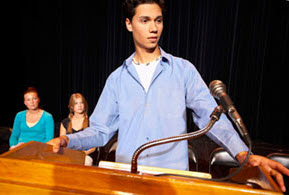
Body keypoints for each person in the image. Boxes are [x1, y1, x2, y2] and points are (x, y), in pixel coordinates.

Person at [48, 0, 289, 192]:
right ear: (129, 24)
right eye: (145, 20)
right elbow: (100, 131)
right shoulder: (116, 79)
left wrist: (244, 155)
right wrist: (69, 140)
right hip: (128, 179)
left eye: (158, 20)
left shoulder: (183, 70)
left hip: (173, 182)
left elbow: (210, 117)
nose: (154, 28)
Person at [60, 93, 96, 166]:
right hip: (69, 154)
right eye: (76, 103)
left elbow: (93, 147)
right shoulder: (65, 122)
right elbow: (62, 144)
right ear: (72, 107)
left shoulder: (91, 122)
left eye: (81, 103)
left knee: (86, 162)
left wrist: (81, 154)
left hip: (85, 155)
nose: (79, 105)